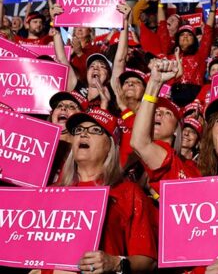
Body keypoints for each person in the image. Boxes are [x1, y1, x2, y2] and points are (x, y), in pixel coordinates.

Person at [34, 109, 157, 274]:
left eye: (95, 130)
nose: (83, 134)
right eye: (79, 130)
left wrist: (115, 263)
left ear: (110, 145)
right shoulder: (50, 193)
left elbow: (148, 261)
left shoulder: (127, 192)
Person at [130, 57, 201, 196]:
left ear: (176, 130)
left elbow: (140, 143)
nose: (159, 114)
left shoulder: (189, 167)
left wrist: (154, 84)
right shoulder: (131, 162)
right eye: (155, 111)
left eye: (167, 113)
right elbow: (138, 142)